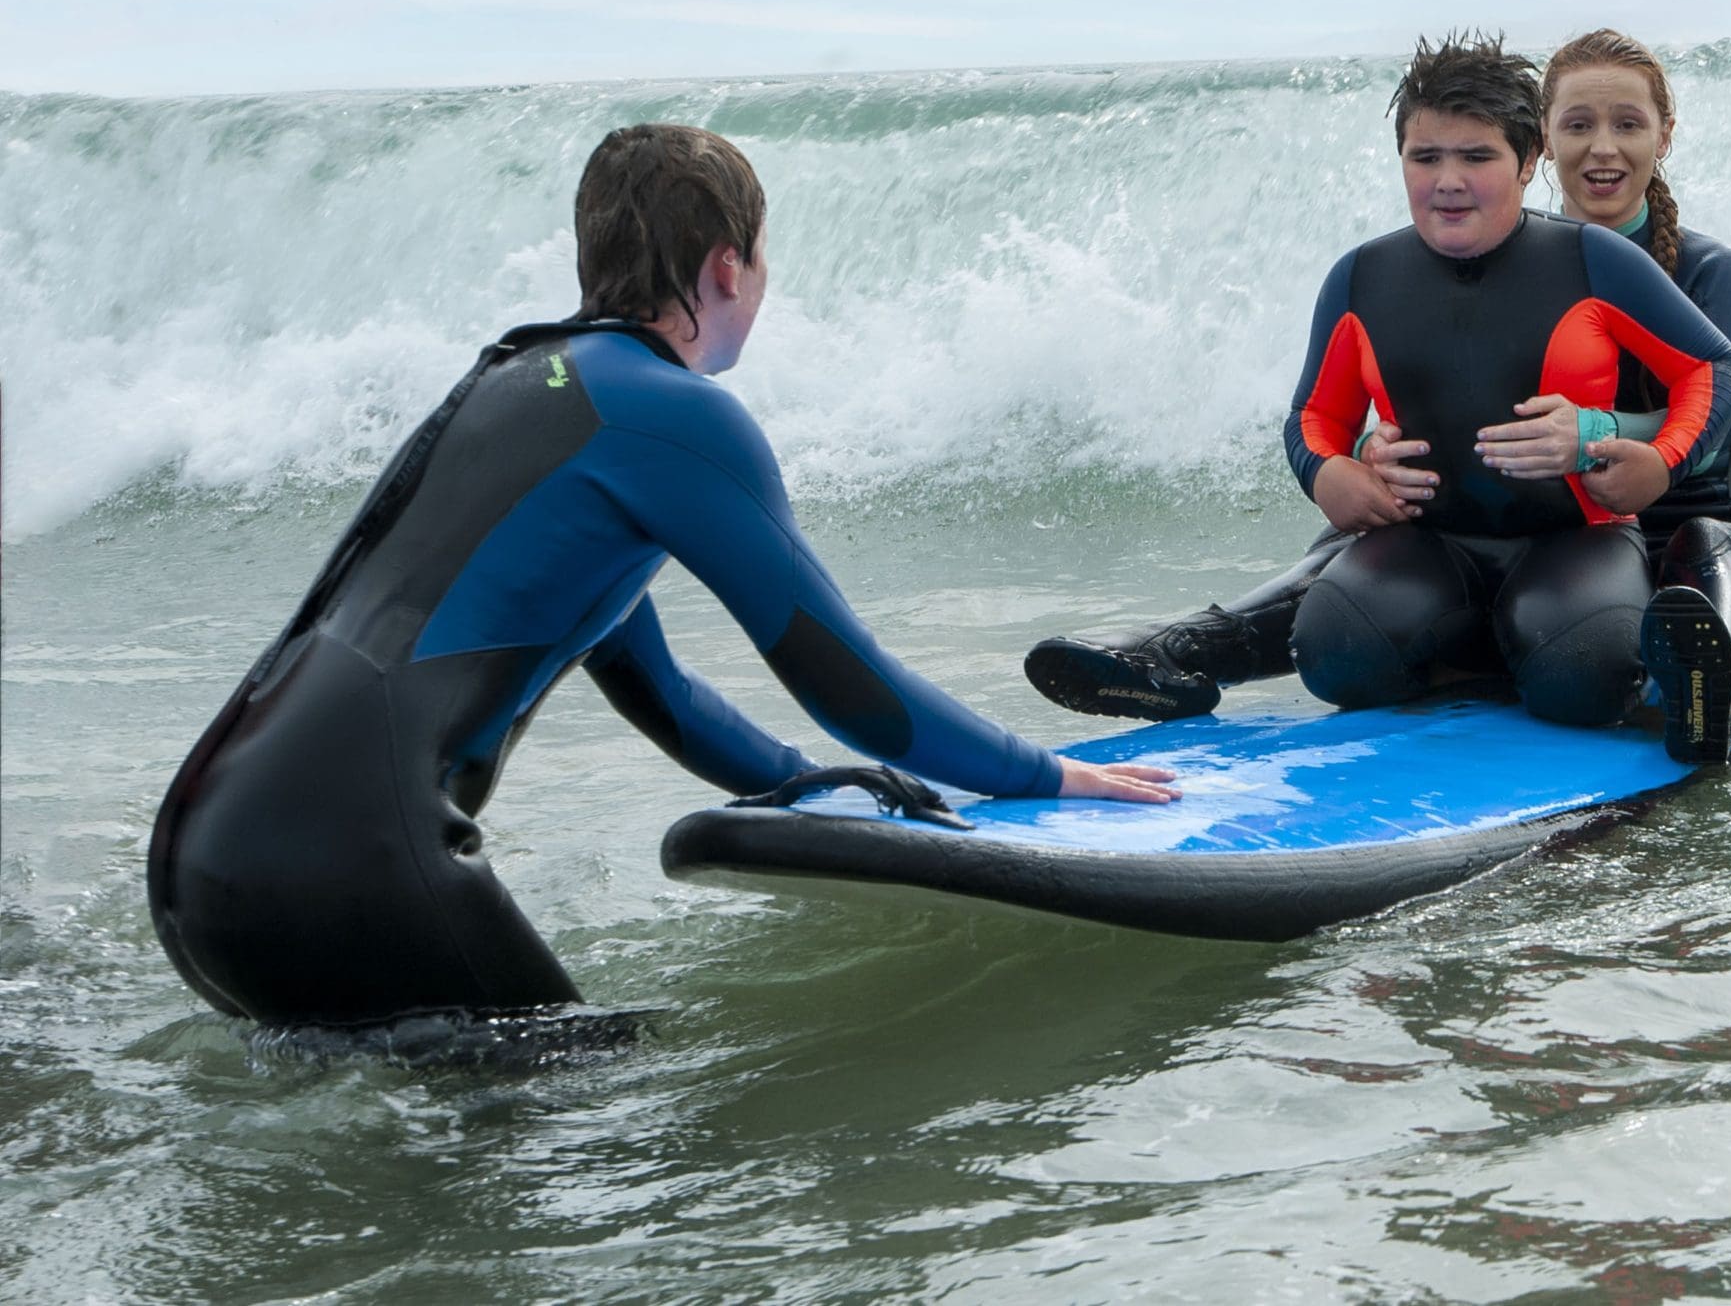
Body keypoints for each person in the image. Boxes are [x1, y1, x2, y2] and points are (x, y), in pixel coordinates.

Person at [147, 124, 1174, 1031]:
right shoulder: (670, 414)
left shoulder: (532, 384)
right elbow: (853, 688)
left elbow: (660, 691)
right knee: (584, 1108)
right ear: (728, 266)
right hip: (351, 849)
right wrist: (1047, 774)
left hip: (212, 846)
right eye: (763, 256)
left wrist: (800, 783)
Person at [1031, 32, 1731, 748]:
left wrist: (1651, 454)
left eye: (1476, 156)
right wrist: (1331, 472)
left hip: (1582, 539)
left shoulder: (1599, 259)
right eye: (1426, 156)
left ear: (1526, 160)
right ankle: (1181, 658)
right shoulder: (1364, 276)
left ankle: (1633, 670)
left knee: (1583, 675)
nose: (1449, 179)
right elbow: (1314, 414)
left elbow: (1713, 369)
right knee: (1336, 654)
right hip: (1431, 542)